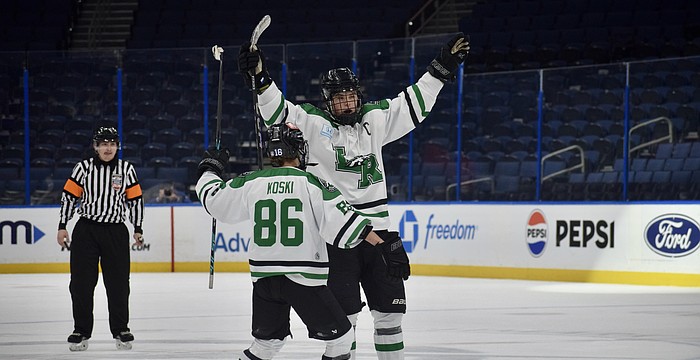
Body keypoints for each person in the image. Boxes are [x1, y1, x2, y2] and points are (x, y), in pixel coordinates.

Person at [238, 33, 469, 359]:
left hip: (380, 235)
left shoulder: (375, 118)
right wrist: (260, 77)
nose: (348, 103)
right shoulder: (312, 122)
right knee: (344, 324)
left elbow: (414, 101)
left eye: (351, 96)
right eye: (340, 98)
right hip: (336, 241)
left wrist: (442, 66)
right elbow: (276, 112)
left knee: (390, 318)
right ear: (327, 100)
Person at [196, 123, 405, 360]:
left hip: (264, 281)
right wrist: (383, 245)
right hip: (301, 279)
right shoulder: (312, 184)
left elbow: (213, 200)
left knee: (266, 344)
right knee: (342, 340)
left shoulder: (250, 182)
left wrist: (210, 170)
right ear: (298, 149)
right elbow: (349, 225)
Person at [56, 126, 145, 352]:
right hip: (86, 230)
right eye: (104, 143)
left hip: (115, 231)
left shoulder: (126, 169)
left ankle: (121, 329)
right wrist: (62, 225)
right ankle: (81, 330)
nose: (108, 148)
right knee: (81, 284)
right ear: (96, 146)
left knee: (118, 284)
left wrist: (137, 227)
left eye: (112, 143)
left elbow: (135, 200)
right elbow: (68, 196)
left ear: (118, 146)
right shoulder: (83, 168)